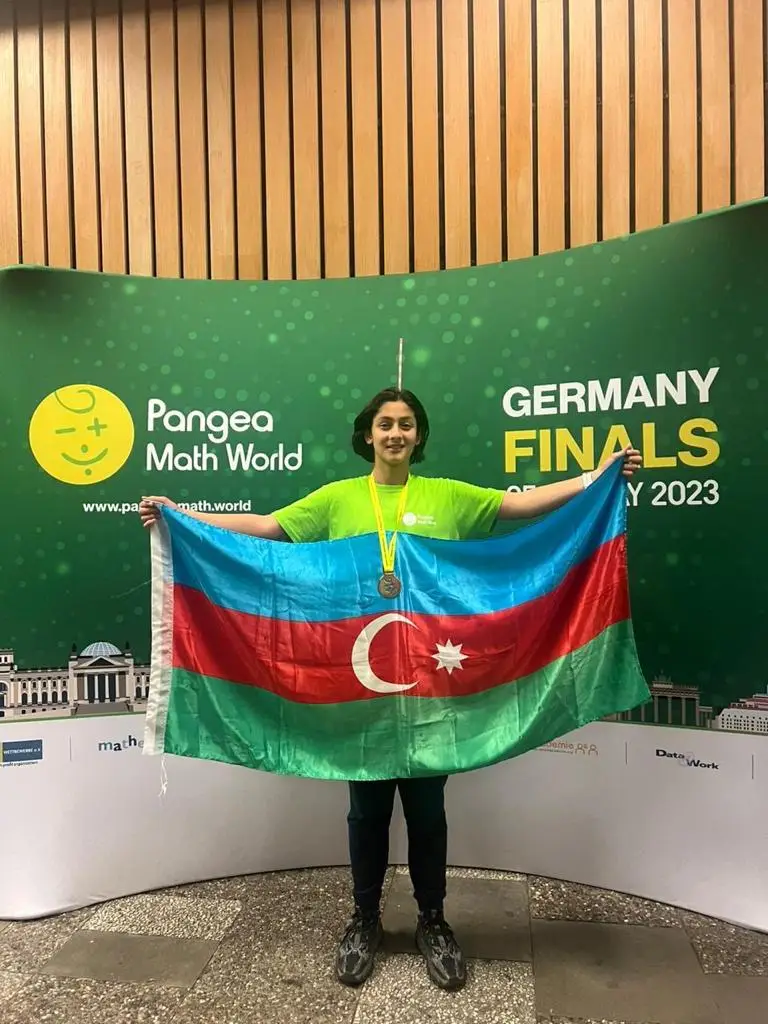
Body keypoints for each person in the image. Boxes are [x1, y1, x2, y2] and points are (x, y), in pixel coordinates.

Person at [139, 387, 641, 991]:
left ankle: (434, 920)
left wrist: (595, 479)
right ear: (368, 435)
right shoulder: (338, 499)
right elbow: (268, 528)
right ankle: (363, 921)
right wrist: (183, 516)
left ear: (418, 435)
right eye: (385, 424)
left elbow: (520, 505)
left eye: (406, 424)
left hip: (432, 694)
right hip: (360, 697)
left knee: (428, 813)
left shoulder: (448, 496)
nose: (395, 433)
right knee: (366, 813)